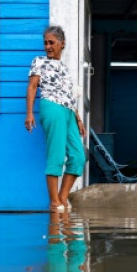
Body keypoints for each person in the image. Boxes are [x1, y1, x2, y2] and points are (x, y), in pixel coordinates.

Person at [25, 25, 86, 211]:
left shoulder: (66, 70)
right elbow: (32, 87)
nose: (48, 46)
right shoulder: (39, 62)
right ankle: (54, 202)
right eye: (45, 43)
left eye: (52, 42)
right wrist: (29, 113)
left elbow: (69, 96)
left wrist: (78, 118)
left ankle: (62, 197)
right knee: (57, 155)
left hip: (68, 112)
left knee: (78, 156)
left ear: (62, 44)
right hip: (51, 107)